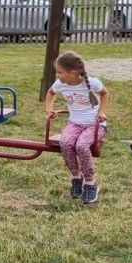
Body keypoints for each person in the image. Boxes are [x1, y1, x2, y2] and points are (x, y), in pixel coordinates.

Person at [44, 51, 109, 204]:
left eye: (59, 72)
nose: (57, 75)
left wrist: (102, 112)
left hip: (95, 125)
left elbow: (105, 93)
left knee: (81, 145)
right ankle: (76, 178)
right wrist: (49, 109)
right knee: (66, 143)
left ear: (72, 72)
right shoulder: (60, 84)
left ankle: (90, 182)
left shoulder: (92, 83)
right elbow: (51, 93)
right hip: (74, 123)